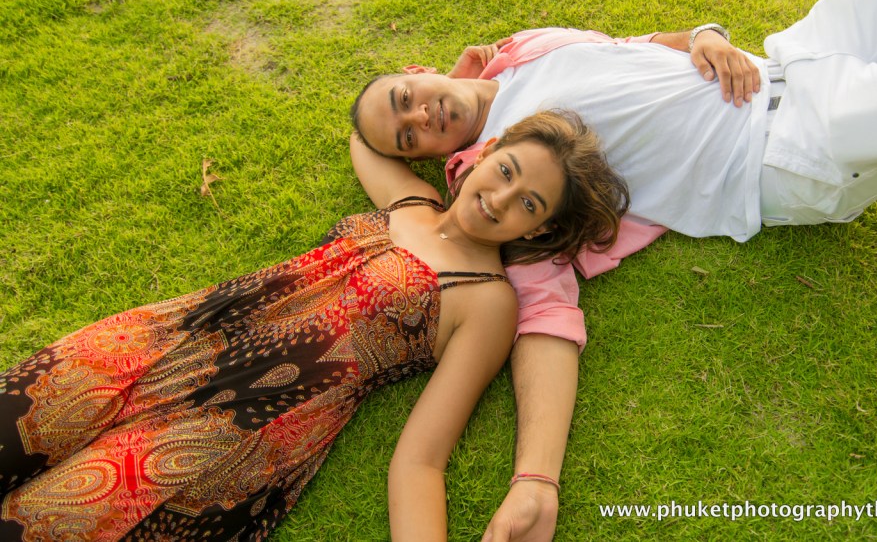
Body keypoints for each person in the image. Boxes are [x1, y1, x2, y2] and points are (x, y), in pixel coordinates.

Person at [348, 0, 877, 540]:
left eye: (406, 95)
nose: (422, 115)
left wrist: (703, 33)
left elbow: (636, 48)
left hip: (798, 56)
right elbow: (546, 315)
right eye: (408, 135)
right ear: (425, 158)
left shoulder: (526, 49)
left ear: (421, 68)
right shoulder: (495, 186)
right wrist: (536, 479)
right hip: (795, 149)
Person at [0, 110, 629, 541]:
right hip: (178, 335)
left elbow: (421, 460)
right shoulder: (409, 200)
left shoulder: (489, 304)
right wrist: (450, 105)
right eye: (507, 170)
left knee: (50, 519)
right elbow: (368, 133)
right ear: (486, 153)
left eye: (529, 204)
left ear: (540, 230)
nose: (498, 198)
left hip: (247, 418)